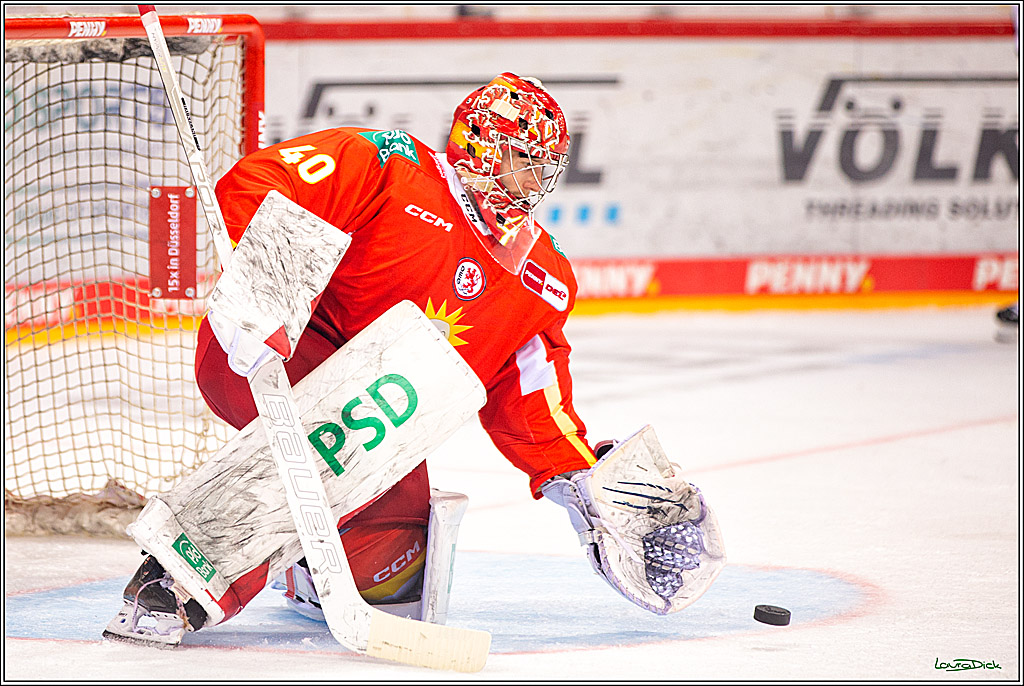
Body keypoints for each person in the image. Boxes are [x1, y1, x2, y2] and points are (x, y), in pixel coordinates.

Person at [106, 73, 723, 645]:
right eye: (520, 163)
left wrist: (580, 474)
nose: (532, 186)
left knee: (397, 559)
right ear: (480, 145)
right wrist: (263, 292)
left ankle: (311, 581)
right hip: (268, 354)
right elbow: (261, 181)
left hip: (377, 414)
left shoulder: (543, 277)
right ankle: (178, 577)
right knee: (342, 438)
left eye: (544, 171)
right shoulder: (388, 167)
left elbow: (530, 396)